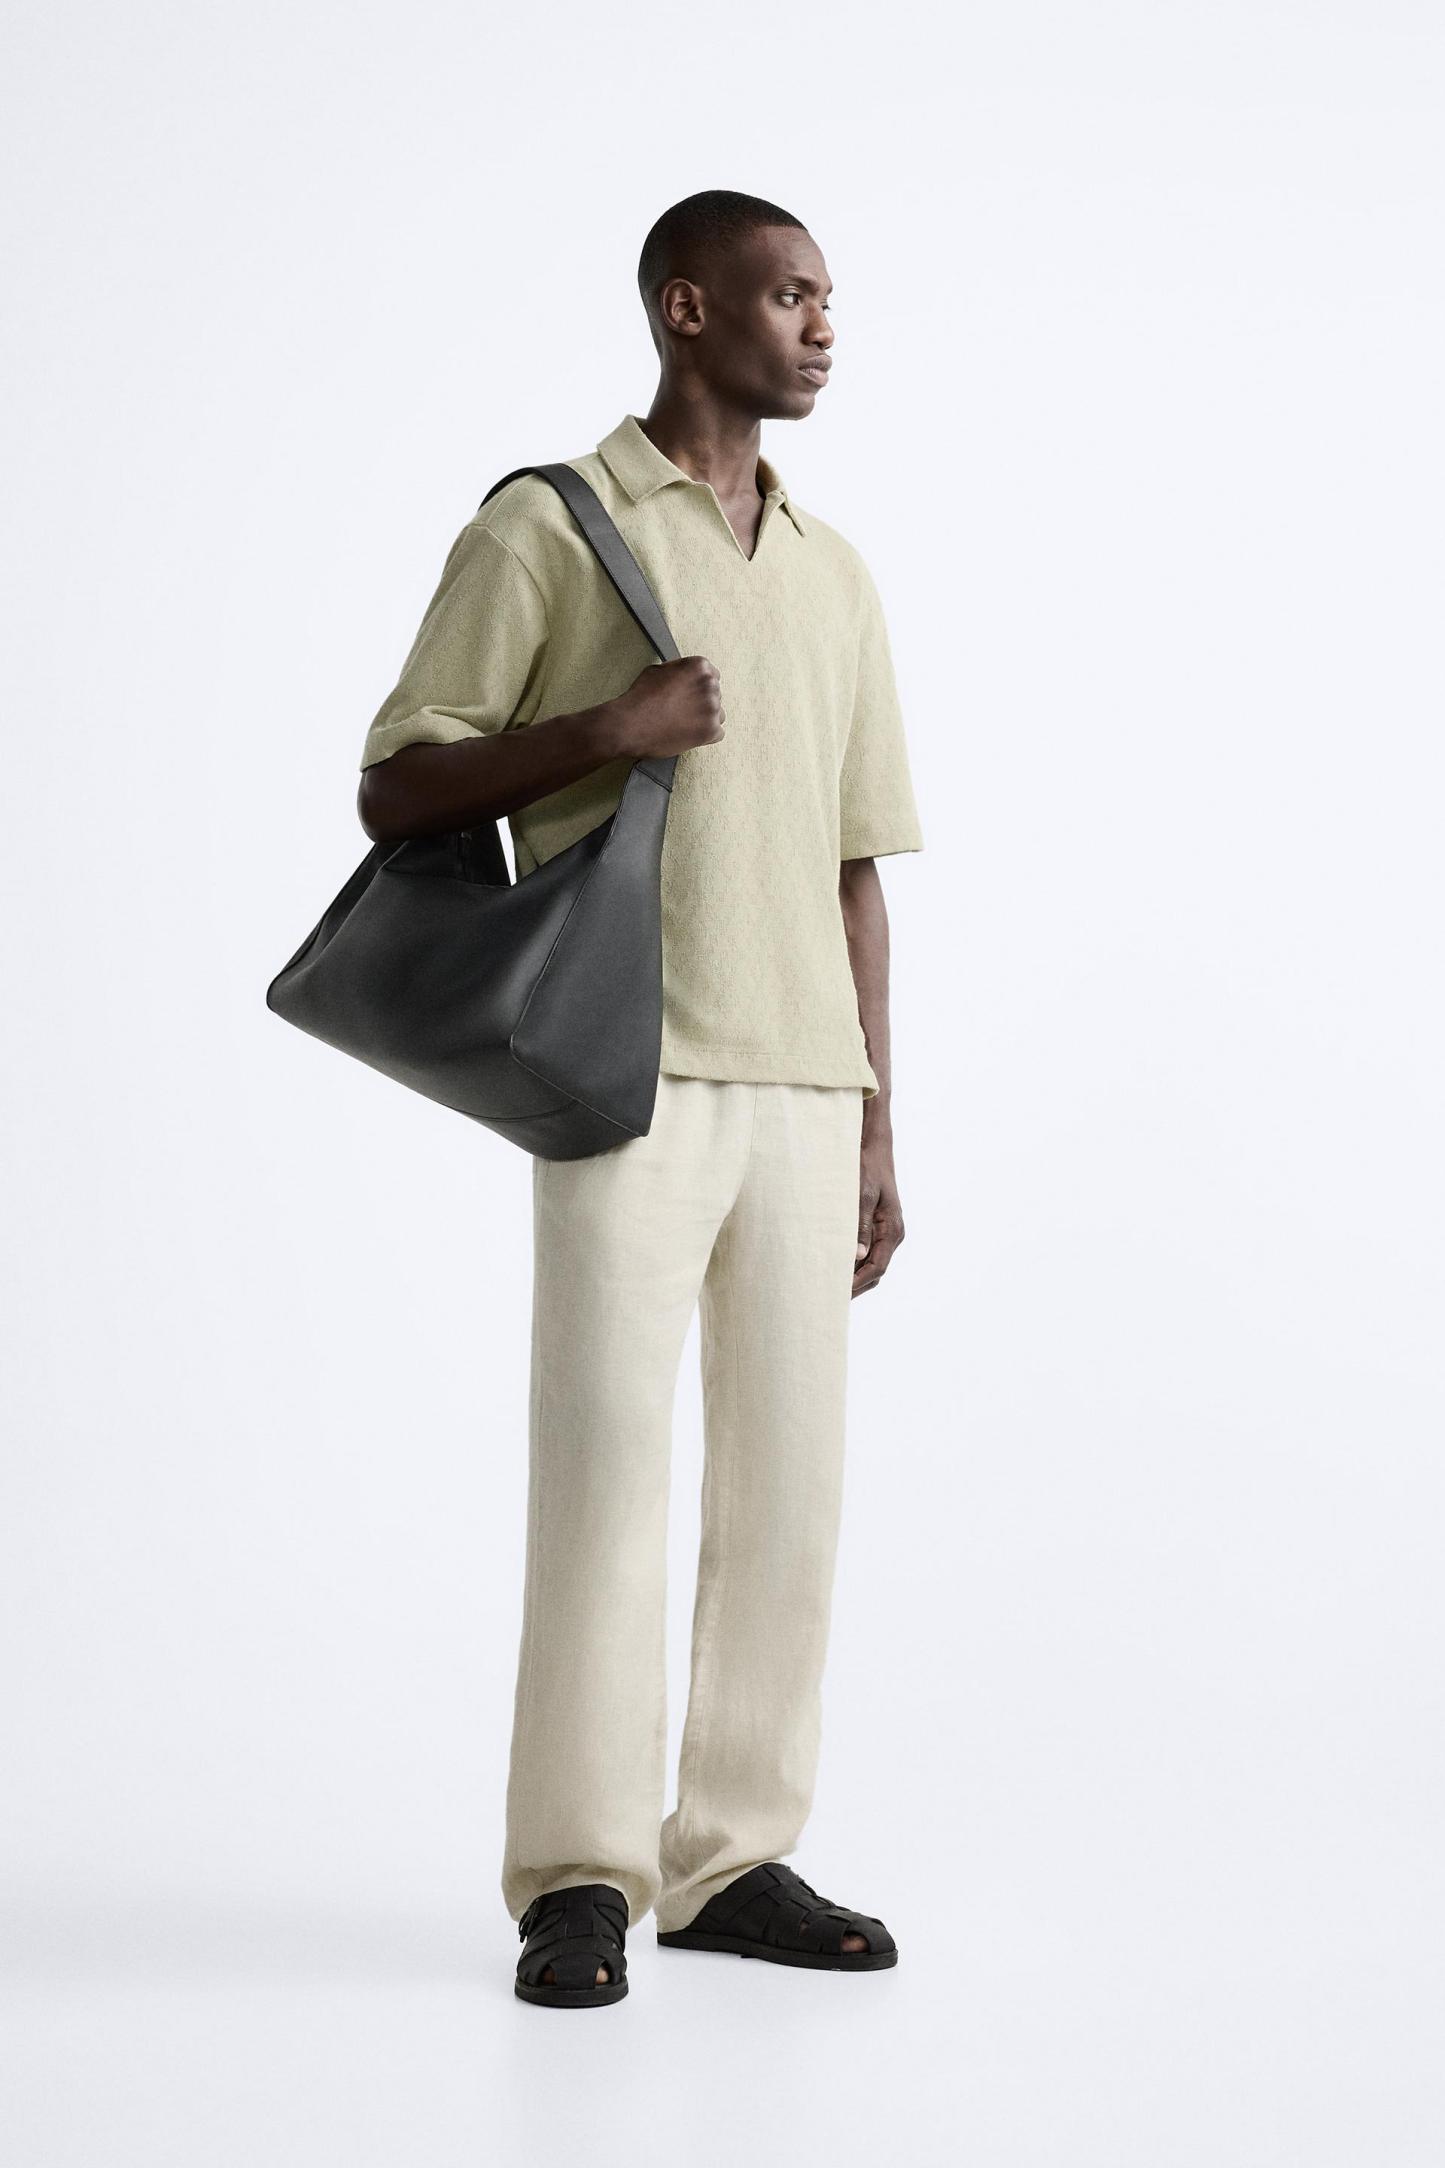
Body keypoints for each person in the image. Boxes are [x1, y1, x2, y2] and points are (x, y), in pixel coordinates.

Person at [356, 190, 924, 2009]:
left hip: (805, 1082)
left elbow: (853, 866)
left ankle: (731, 1857)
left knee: (789, 1496)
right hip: (621, 1071)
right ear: (689, 309)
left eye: (828, 298)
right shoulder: (551, 523)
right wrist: (608, 730)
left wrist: (879, 1118)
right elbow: (397, 784)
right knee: (603, 1476)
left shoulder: (832, 570)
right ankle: (579, 1875)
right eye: (788, 294)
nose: (821, 326)